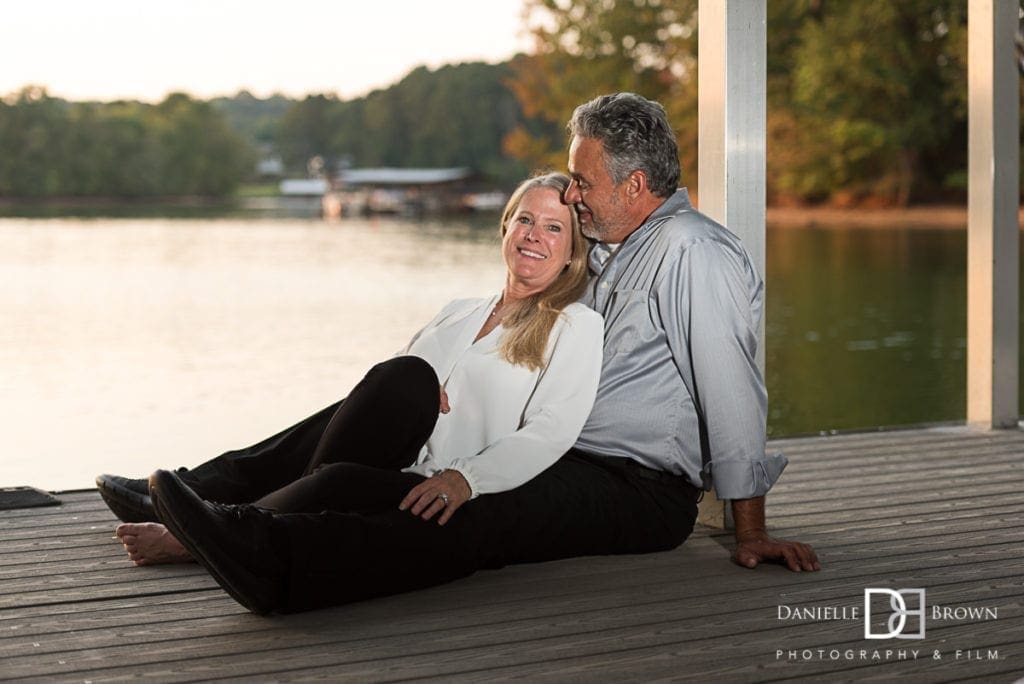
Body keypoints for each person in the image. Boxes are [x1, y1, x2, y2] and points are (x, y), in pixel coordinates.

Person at [108, 93, 819, 615]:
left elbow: (733, 388)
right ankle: (210, 501)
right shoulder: (614, 244)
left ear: (635, 186)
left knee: (471, 517)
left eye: (584, 181)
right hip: (561, 451)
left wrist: (748, 530)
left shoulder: (692, 253)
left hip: (634, 486)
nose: (573, 194)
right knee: (372, 441)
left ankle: (275, 566)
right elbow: (533, 295)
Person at [100, 172, 604, 575]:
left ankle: (195, 531)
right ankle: (199, 496)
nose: (535, 235)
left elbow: (552, 432)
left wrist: (466, 479)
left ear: (571, 252)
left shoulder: (574, 326)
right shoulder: (459, 310)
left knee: (337, 477)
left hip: (437, 486)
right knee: (400, 381)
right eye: (525, 220)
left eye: (554, 227)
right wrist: (424, 389)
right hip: (390, 456)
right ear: (505, 228)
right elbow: (381, 393)